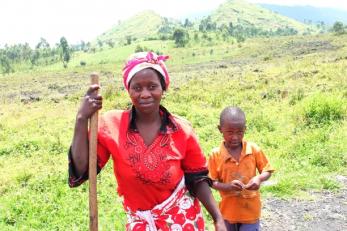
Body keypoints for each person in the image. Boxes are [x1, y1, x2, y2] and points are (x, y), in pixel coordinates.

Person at [68, 51, 226, 231]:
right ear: (129, 90)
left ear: (163, 88)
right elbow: (82, 168)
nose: (145, 94)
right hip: (140, 224)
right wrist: (81, 118)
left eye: (152, 86)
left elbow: (197, 179)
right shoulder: (111, 125)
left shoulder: (181, 130)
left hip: (182, 222)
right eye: (137, 88)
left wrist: (218, 219)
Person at [208, 106, 275, 231]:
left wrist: (259, 179)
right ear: (220, 129)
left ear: (245, 130)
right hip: (227, 213)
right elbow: (211, 182)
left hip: (251, 213)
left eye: (239, 132)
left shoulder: (253, 149)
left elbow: (267, 170)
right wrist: (227, 187)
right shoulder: (215, 155)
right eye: (230, 132)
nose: (235, 137)